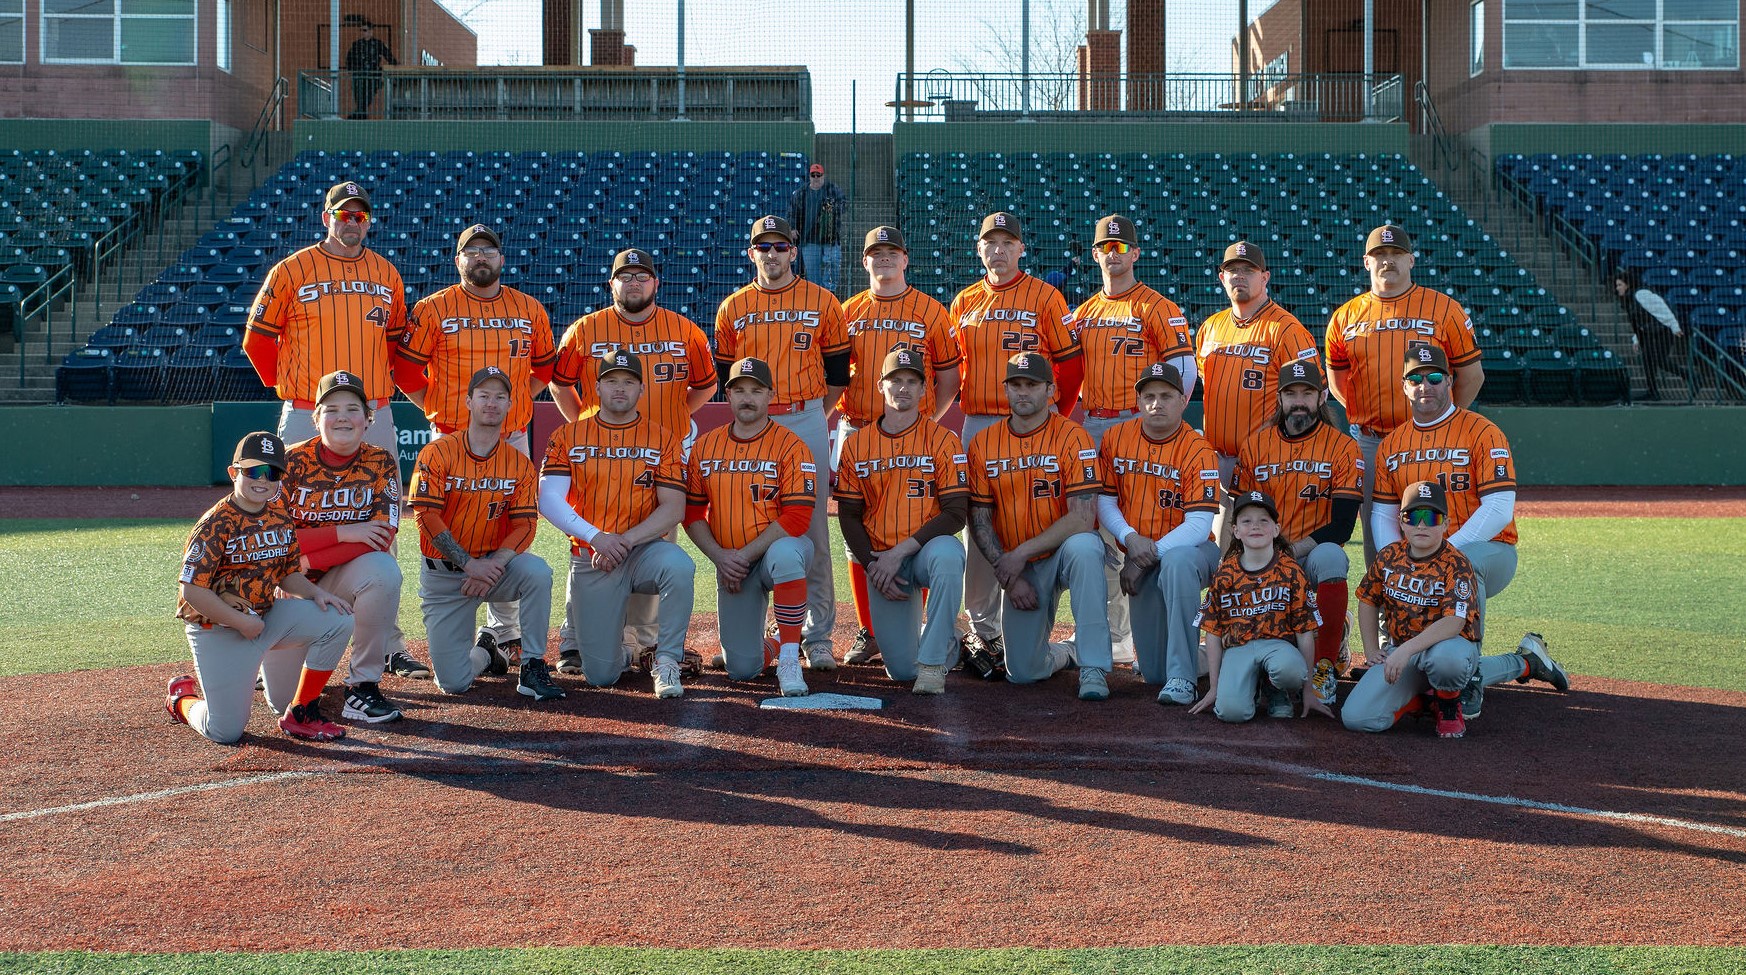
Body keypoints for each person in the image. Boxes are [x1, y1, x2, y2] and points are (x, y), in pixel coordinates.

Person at [1368, 346, 1570, 722]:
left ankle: (1468, 677)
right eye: (1415, 378)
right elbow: (1383, 512)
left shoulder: (1482, 431)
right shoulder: (1392, 444)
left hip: (1489, 551)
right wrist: (1397, 562)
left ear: (1449, 381)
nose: (1424, 385)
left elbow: (1498, 508)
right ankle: (1524, 662)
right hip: (1420, 557)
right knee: (1427, 660)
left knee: (1466, 562)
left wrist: (1442, 555)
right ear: (1404, 387)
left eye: (1433, 377)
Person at [395, 223, 556, 670]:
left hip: (512, 437)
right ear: (458, 261)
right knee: (447, 523)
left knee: (509, 525)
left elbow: (543, 367)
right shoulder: (433, 308)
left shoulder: (529, 308)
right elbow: (406, 373)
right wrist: (439, 406)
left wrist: (515, 404)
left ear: (502, 260)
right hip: (449, 435)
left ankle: (504, 631)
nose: (480, 257)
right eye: (472, 251)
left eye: (488, 251)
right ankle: (461, 610)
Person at [550, 247, 716, 675]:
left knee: (656, 544)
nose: (634, 283)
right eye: (626, 276)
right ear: (612, 284)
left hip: (661, 456)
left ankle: (643, 642)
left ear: (656, 283)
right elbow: (560, 385)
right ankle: (574, 637)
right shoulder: (585, 330)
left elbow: (702, 389)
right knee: (588, 541)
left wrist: (669, 428)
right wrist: (586, 427)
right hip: (596, 455)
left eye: (642, 276)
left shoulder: (686, 332)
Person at [714, 216, 849, 670]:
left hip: (806, 414)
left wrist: (813, 415)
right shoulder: (732, 307)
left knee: (811, 529)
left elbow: (836, 377)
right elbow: (727, 379)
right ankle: (765, 633)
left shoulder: (824, 301)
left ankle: (818, 635)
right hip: (752, 423)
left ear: (794, 251)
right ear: (750, 253)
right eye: (762, 247)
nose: (771, 254)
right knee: (747, 520)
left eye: (779, 246)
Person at [951, 212, 1084, 664]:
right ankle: (983, 625)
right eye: (991, 242)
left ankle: (1034, 606)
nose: (999, 250)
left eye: (1008, 242)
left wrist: (1055, 416)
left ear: (1021, 249)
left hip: (1033, 421)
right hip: (979, 422)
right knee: (979, 523)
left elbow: (1072, 365)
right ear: (979, 249)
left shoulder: (1046, 296)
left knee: (1030, 513)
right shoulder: (964, 301)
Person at [1064, 214, 1195, 669]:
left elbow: (1185, 369)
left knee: (1148, 526)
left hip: (1141, 423)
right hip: (1095, 424)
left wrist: (1164, 421)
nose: (1114, 254)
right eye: (1106, 247)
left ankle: (1149, 636)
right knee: (1100, 534)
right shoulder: (1082, 313)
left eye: (1122, 247)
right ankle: (1114, 636)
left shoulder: (1157, 306)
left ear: (1135, 253)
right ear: (1095, 254)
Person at [164, 432, 355, 745]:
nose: (262, 480)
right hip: (217, 628)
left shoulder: (279, 515)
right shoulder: (216, 522)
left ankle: (302, 711)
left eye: (272, 473)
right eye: (253, 471)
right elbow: (192, 591)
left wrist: (316, 593)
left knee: (339, 618)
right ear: (233, 472)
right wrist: (241, 622)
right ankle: (182, 700)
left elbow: (287, 574)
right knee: (225, 731)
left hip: (265, 617)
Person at [835, 225, 961, 667]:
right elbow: (835, 374)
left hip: (915, 433)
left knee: (919, 517)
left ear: (906, 260)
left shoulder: (930, 309)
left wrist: (922, 426)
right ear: (864, 261)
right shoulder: (848, 311)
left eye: (892, 252)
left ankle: (926, 621)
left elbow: (948, 378)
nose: (884, 258)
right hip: (858, 432)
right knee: (857, 537)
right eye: (876, 252)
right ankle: (869, 629)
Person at [539, 351, 695, 698]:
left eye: (628, 382)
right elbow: (549, 499)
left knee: (680, 565)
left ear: (642, 389)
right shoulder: (567, 435)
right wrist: (598, 538)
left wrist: (621, 541)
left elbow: (674, 509)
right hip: (592, 556)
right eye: (611, 381)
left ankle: (667, 659)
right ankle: (622, 652)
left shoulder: (664, 438)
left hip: (643, 552)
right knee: (601, 675)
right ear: (596, 388)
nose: (619, 389)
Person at [1325, 224, 1484, 564]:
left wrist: (1441, 421)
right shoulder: (1344, 317)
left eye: (1396, 254)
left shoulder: (1445, 309)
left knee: (1433, 522)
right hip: (1372, 440)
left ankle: (1439, 606)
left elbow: (1471, 375)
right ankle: (1387, 609)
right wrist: (1364, 418)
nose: (1388, 261)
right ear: (1366, 262)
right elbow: (1339, 382)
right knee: (1377, 530)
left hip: (1431, 438)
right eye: (1380, 255)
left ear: (1411, 260)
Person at [407, 366, 561, 701]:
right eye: (484, 396)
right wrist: (468, 564)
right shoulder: (437, 452)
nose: (491, 403)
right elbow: (426, 516)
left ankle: (533, 664)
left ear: (510, 406)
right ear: (468, 402)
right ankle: (490, 652)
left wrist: (492, 565)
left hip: (495, 568)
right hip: (446, 577)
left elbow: (526, 524)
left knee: (537, 572)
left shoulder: (519, 463)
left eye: (500, 397)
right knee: (453, 683)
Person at [965, 352, 1110, 701]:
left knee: (1087, 547)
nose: (1023, 392)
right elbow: (980, 520)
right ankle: (1068, 653)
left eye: (1032, 384)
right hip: (1019, 569)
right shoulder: (983, 443)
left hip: (1061, 553)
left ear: (1051, 389)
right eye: (1016, 384)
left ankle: (1093, 667)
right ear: (1006, 390)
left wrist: (1019, 556)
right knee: (1024, 674)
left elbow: (1081, 517)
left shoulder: (1074, 437)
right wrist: (1011, 574)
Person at [1230, 359, 1364, 708]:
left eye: (1308, 392)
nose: (1299, 400)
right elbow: (1241, 518)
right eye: (1292, 393)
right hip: (1264, 556)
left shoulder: (1343, 447)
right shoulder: (1254, 446)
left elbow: (1343, 526)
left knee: (1333, 555)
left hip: (1309, 554)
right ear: (1279, 397)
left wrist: (1289, 550)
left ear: (1322, 397)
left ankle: (1324, 666)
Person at [835, 348, 969, 693]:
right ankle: (951, 639)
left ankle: (934, 661)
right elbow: (848, 516)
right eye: (896, 380)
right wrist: (871, 564)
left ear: (925, 390)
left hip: (922, 553)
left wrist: (900, 553)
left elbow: (956, 513)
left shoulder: (943, 439)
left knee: (949, 554)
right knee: (900, 670)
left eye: (912, 381)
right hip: (882, 560)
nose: (903, 388)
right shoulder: (856, 444)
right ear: (881, 386)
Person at [684, 357, 818, 698]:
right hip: (732, 564)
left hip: (772, 556)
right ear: (727, 396)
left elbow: (797, 518)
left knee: (787, 553)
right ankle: (777, 639)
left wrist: (739, 556)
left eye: (756, 390)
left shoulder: (791, 445)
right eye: (739, 390)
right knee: (743, 670)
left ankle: (789, 657)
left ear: (770, 394)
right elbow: (692, 513)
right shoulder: (705, 446)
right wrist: (720, 558)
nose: (747, 398)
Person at [279, 370, 407, 724]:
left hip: (335, 578)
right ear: (316, 417)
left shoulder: (380, 461)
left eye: (353, 409)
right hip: (286, 585)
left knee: (383, 571)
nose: (342, 418)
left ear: (368, 419)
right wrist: (345, 533)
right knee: (280, 702)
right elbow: (273, 538)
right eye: (331, 409)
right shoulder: (289, 462)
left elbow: (383, 535)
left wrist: (308, 556)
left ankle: (362, 686)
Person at [244, 180, 407, 453]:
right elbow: (256, 340)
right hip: (309, 409)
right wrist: (286, 381)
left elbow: (393, 343)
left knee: (379, 495)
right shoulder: (291, 270)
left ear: (368, 222)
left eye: (360, 216)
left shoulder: (387, 274)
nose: (352, 222)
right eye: (343, 215)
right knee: (298, 496)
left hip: (372, 411)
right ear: (325, 218)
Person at [1097, 362, 1222, 705]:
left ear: (1183, 400)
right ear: (1138, 402)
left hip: (1193, 553)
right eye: (1149, 396)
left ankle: (1183, 678)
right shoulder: (1115, 437)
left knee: (1179, 562)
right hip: (1141, 551)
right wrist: (1131, 540)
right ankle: (1219, 652)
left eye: (1166, 395)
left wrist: (1143, 558)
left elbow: (1199, 525)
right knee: (1153, 673)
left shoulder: (1198, 448)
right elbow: (1105, 501)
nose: (1157, 403)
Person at [1195, 241, 1321, 541]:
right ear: (1221, 278)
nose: (1239, 276)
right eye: (1232, 270)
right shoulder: (1210, 328)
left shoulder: (1287, 329)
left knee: (1266, 555)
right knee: (1222, 559)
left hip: (1266, 464)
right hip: (1219, 461)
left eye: (1247, 270)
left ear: (1264, 277)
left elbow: (1313, 396)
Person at [1341, 480, 1483, 738]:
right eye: (1413, 516)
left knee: (1447, 663)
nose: (1421, 525)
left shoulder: (1457, 564)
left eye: (1430, 517)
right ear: (1402, 522)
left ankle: (1448, 703)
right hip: (1404, 655)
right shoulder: (1389, 556)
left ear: (1445, 524)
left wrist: (1404, 650)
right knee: (1356, 718)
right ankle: (1422, 702)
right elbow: (1368, 598)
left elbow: (1454, 623)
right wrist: (1372, 650)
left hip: (1449, 648)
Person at [1186, 490, 1326, 722]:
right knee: (1231, 713)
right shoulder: (1226, 573)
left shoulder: (1291, 571)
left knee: (1291, 671)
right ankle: (1249, 688)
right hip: (1238, 648)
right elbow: (1212, 631)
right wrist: (1214, 687)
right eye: (1246, 521)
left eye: (1264, 520)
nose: (1256, 526)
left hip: (1278, 647)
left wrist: (1308, 689)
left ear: (1276, 529)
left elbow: (1305, 631)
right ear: (1236, 531)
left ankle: (1276, 689)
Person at [1611, 269, 1687, 400]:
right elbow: (1637, 322)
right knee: (1649, 360)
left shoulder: (1641, 294)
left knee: (1657, 360)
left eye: (1619, 285)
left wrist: (1675, 326)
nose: (1617, 288)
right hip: (1650, 333)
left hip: (1662, 332)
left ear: (1628, 284)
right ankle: (1653, 391)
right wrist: (1636, 339)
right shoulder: (1628, 300)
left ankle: (1689, 376)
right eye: (1616, 285)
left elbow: (1661, 308)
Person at [788, 163, 847, 293]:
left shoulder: (832, 189)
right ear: (809, 176)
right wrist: (792, 227)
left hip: (830, 237)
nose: (815, 177)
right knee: (812, 271)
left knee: (833, 264)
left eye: (818, 175)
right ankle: (816, 295)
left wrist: (832, 208)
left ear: (823, 176)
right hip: (808, 237)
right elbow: (792, 212)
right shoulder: (801, 193)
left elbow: (843, 205)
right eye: (813, 175)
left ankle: (829, 292)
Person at [345, 22, 398, 120]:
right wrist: (350, 69)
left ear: (371, 31)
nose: (363, 32)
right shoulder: (356, 44)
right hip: (359, 74)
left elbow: (388, 55)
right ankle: (361, 114)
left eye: (365, 30)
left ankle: (360, 114)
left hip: (372, 75)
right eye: (361, 30)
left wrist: (395, 65)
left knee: (368, 96)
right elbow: (349, 58)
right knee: (359, 96)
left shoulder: (377, 44)